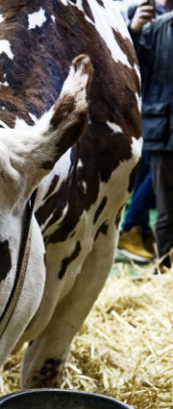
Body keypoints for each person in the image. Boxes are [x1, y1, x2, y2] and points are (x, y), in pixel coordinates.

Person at [129, 0, 173, 267]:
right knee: (167, 211)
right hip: (163, 134)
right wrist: (133, 32)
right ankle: (165, 270)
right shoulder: (154, 29)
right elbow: (132, 66)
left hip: (160, 130)